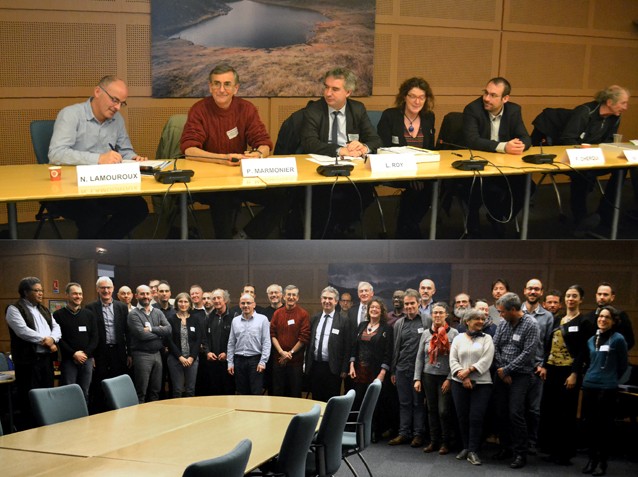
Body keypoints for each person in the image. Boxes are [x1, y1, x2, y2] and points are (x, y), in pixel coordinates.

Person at [180, 63, 285, 239]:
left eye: (227, 84)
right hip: (209, 181)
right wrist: (221, 159)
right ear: (210, 87)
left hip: (239, 177)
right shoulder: (199, 110)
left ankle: (245, 237)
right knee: (223, 198)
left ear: (236, 88)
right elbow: (189, 149)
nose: (222, 89)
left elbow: (264, 143)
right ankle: (225, 247)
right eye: (216, 84)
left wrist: (258, 155)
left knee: (283, 197)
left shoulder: (246, 109)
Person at [47, 75, 149, 238]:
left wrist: (134, 158)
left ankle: (99, 250)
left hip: (104, 186)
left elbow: (125, 151)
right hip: (72, 188)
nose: (117, 107)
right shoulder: (71, 114)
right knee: (92, 216)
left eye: (121, 103)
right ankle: (93, 256)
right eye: (114, 100)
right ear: (97, 92)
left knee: (138, 208)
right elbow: (56, 154)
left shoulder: (117, 120)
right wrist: (98, 159)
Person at [300, 67, 383, 238]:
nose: (328, 93)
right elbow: (309, 143)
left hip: (353, 170)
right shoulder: (314, 110)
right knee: (323, 197)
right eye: (326, 87)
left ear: (348, 92)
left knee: (365, 192)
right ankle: (327, 232)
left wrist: (363, 147)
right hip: (322, 170)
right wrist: (340, 150)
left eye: (335, 89)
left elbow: (375, 140)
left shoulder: (357, 109)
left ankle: (341, 225)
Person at [462, 77, 532, 237]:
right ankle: (473, 220)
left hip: (504, 166)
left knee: (528, 187)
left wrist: (520, 145)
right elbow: (472, 140)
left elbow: (526, 138)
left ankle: (500, 217)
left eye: (493, 95)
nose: (486, 98)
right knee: (485, 189)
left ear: (505, 99)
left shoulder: (514, 111)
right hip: (479, 167)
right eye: (485, 93)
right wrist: (503, 147)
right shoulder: (473, 109)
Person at [560, 86, 630, 233]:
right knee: (583, 174)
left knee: (622, 169)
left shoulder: (615, 117)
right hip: (575, 156)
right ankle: (580, 219)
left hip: (597, 157)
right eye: (623, 103)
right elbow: (567, 139)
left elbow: (609, 140)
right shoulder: (584, 112)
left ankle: (606, 212)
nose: (626, 107)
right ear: (610, 102)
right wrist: (585, 151)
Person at [539, 285, 595, 465]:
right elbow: (549, 344)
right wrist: (545, 365)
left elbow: (583, 351)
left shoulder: (584, 322)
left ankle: (565, 453)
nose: (570, 299)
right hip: (552, 370)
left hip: (569, 371)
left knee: (567, 413)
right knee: (552, 411)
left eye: (574, 296)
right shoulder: (557, 320)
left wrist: (574, 373)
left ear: (581, 300)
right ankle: (553, 450)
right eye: (568, 296)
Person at [377, 77, 436, 238]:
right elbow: (383, 149)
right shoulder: (390, 116)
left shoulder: (429, 117)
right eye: (412, 96)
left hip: (422, 171)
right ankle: (408, 228)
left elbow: (430, 149)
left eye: (421, 97)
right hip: (395, 168)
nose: (417, 101)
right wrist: (410, 170)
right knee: (415, 188)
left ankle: (407, 226)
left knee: (434, 186)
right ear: (404, 97)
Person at [491, 292, 539, 469]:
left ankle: (520, 453)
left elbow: (528, 353)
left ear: (513, 309)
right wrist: (502, 370)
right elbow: (495, 346)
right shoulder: (503, 323)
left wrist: (508, 370)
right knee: (501, 411)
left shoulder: (531, 325)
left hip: (521, 375)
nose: (500, 315)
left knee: (515, 413)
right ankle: (505, 447)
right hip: (502, 372)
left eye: (502, 311)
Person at [5, 277, 60, 429]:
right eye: (36, 290)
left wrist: (52, 339)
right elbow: (23, 331)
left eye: (41, 290)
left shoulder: (43, 309)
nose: (40, 293)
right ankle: (29, 429)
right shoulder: (14, 309)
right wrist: (45, 340)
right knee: (29, 396)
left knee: (47, 393)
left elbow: (56, 327)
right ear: (25, 292)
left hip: (46, 359)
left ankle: (46, 425)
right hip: (28, 361)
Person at [581, 306, 628, 476]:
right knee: (590, 426)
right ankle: (591, 460)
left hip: (607, 388)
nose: (602, 319)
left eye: (607, 317)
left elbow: (623, 365)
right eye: (600, 316)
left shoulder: (618, 339)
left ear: (614, 321)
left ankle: (602, 462)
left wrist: (610, 377)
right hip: (589, 385)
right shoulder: (592, 339)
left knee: (604, 427)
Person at [449, 309, 495, 466]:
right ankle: (466, 447)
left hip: (482, 383)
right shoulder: (458, 338)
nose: (481, 322)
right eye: (477, 319)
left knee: (476, 417)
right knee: (462, 417)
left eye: (483, 319)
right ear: (467, 321)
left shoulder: (487, 338)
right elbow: (453, 359)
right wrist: (463, 376)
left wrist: (469, 371)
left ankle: (474, 450)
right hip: (459, 382)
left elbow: (487, 359)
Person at [414, 302, 458, 455]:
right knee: (431, 410)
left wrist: (450, 378)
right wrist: (417, 378)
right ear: (431, 315)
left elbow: (456, 358)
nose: (437, 315)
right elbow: (420, 357)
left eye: (441, 313)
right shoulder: (426, 334)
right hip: (428, 376)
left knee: (443, 411)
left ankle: (446, 442)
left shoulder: (454, 334)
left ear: (446, 315)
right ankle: (434, 442)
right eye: (435, 313)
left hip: (445, 377)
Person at [389, 289, 429, 447]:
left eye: (412, 303)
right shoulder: (399, 323)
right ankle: (404, 433)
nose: (409, 306)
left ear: (418, 303)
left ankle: (418, 434)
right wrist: (393, 370)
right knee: (404, 402)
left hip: (419, 371)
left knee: (418, 403)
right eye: (407, 304)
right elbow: (395, 348)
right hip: (401, 368)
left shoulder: (427, 321)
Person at [349, 297, 394, 439]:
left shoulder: (387, 328)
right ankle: (358, 431)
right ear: (368, 311)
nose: (374, 310)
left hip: (375, 372)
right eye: (371, 307)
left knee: (375, 402)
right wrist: (351, 365)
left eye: (377, 308)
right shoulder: (362, 325)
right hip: (359, 371)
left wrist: (382, 373)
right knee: (358, 402)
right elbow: (354, 347)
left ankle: (374, 431)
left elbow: (388, 353)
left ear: (381, 311)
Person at [86, 276, 131, 413]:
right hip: (100, 352)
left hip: (118, 351)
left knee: (118, 382)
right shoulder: (90, 308)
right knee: (100, 383)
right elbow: (89, 334)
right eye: (103, 288)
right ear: (97, 290)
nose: (106, 290)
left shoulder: (122, 307)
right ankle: (100, 412)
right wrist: (91, 355)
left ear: (113, 289)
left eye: (108, 287)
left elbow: (127, 332)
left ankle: (118, 410)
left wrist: (129, 353)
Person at [54, 282, 98, 404]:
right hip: (69, 360)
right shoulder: (58, 315)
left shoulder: (89, 314)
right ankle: (69, 418)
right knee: (69, 391)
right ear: (67, 295)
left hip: (87, 359)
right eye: (74, 294)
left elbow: (95, 337)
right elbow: (59, 339)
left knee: (85, 391)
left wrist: (85, 355)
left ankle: (84, 418)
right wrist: (74, 354)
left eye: (80, 294)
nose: (78, 296)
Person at [127, 284, 171, 403]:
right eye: (142, 294)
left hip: (157, 354)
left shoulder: (157, 312)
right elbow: (141, 335)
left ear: (151, 295)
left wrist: (152, 329)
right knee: (141, 390)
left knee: (156, 389)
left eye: (147, 293)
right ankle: (139, 418)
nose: (145, 296)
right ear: (136, 296)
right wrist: (160, 333)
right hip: (142, 355)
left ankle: (153, 417)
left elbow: (168, 329)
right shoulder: (133, 314)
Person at [305, 286, 350, 402]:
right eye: (324, 298)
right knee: (316, 399)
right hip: (315, 366)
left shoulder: (343, 320)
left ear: (336, 301)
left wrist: (345, 369)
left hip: (333, 369)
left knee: (331, 401)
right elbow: (309, 343)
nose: (327, 301)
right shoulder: (314, 318)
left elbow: (347, 346)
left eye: (330, 299)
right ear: (321, 300)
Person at [270, 285, 310, 397]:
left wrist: (290, 353)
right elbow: (272, 334)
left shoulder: (303, 314)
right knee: (278, 393)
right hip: (278, 360)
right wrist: (282, 352)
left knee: (295, 393)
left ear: (297, 298)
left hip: (295, 363)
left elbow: (304, 337)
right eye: (289, 294)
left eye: (294, 295)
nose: (291, 297)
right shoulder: (277, 313)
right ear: (284, 296)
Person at [227, 293, 271, 395]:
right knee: (241, 391)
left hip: (255, 360)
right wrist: (230, 362)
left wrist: (263, 361)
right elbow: (231, 343)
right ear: (239, 304)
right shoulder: (235, 321)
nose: (246, 305)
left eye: (248, 303)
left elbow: (266, 342)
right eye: (243, 303)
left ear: (254, 304)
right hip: (239, 360)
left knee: (256, 391)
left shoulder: (262, 319)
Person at [166, 292, 204, 398]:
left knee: (190, 390)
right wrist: (180, 357)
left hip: (192, 359)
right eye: (181, 301)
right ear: (177, 303)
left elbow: (198, 340)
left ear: (190, 304)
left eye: (186, 301)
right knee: (177, 390)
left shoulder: (195, 319)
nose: (183, 304)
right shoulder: (171, 319)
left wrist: (192, 357)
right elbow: (169, 341)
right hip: (175, 359)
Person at [201, 289, 235, 395]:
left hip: (228, 361)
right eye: (214, 298)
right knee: (214, 391)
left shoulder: (234, 317)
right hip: (212, 360)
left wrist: (227, 353)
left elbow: (236, 339)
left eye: (219, 298)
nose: (216, 300)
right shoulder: (208, 317)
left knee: (228, 390)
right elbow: (204, 337)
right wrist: (207, 352)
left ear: (225, 300)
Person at [584, 282, 634, 350]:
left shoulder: (620, 315)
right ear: (596, 296)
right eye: (599, 294)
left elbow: (629, 341)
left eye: (605, 295)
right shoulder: (588, 317)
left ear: (612, 297)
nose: (601, 297)